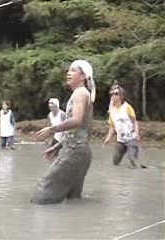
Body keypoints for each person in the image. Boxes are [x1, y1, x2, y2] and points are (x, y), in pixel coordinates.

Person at [32, 59, 96, 205]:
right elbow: (81, 130)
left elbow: (76, 120)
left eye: (73, 70)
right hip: (81, 152)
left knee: (42, 194)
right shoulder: (84, 94)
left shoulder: (80, 93)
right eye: (69, 70)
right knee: (73, 200)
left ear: (83, 76)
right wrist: (57, 146)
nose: (69, 73)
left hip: (74, 152)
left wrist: (51, 129)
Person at [103, 85, 145, 168]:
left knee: (132, 158)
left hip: (131, 138)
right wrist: (108, 138)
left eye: (116, 94)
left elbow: (134, 122)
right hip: (120, 140)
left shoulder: (127, 107)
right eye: (111, 94)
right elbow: (112, 126)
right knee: (115, 162)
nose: (113, 96)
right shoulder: (112, 111)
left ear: (121, 96)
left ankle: (139, 170)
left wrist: (137, 134)